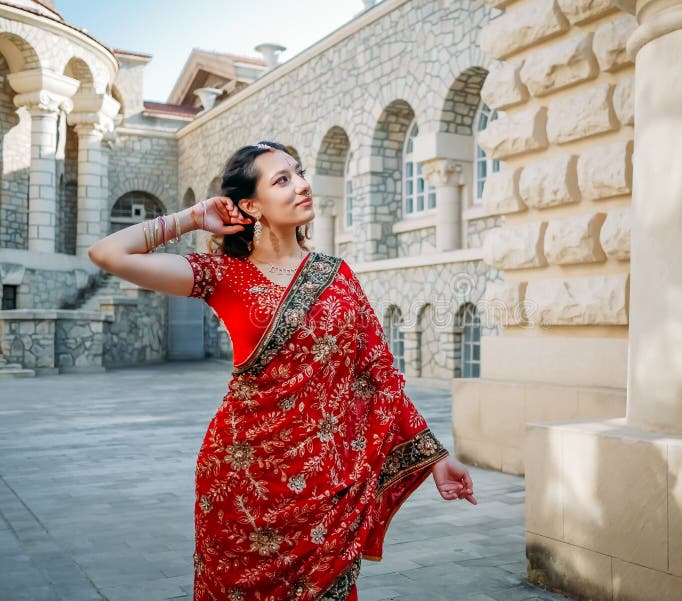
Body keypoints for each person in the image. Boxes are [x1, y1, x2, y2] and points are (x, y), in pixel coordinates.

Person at [87, 140, 477, 601]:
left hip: (323, 487)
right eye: (283, 179)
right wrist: (191, 218)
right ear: (251, 205)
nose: (303, 185)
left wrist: (434, 456)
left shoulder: (336, 276)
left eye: (300, 173)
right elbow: (109, 254)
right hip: (242, 481)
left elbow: (377, 374)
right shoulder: (223, 275)